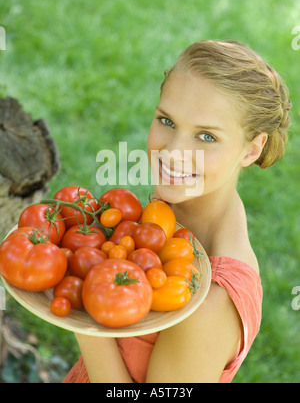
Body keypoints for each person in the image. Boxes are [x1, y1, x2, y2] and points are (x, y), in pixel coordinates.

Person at [63, 40, 291, 383]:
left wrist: (82, 315)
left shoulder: (212, 301)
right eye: (167, 121)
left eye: (207, 137)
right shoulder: (173, 209)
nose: (173, 152)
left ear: (251, 149)